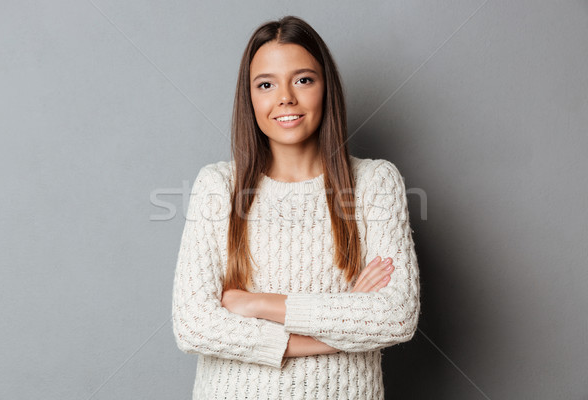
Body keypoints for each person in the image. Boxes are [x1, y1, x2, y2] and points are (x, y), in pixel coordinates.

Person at [171, 15, 420, 400]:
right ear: (250, 97)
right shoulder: (218, 185)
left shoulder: (375, 183)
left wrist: (257, 304)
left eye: (303, 79)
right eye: (266, 84)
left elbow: (396, 316)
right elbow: (194, 325)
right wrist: (342, 325)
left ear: (326, 88)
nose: (285, 97)